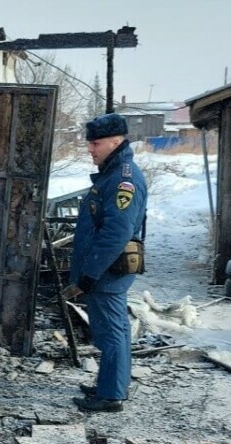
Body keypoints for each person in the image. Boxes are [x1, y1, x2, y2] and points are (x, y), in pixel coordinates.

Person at [62, 113, 148, 412]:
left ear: (116, 141)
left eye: (95, 143)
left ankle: (110, 396)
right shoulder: (114, 173)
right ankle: (112, 385)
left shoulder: (124, 179)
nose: (90, 149)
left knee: (111, 333)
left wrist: (89, 275)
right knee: (116, 331)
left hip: (108, 271)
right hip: (107, 271)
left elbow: (116, 233)